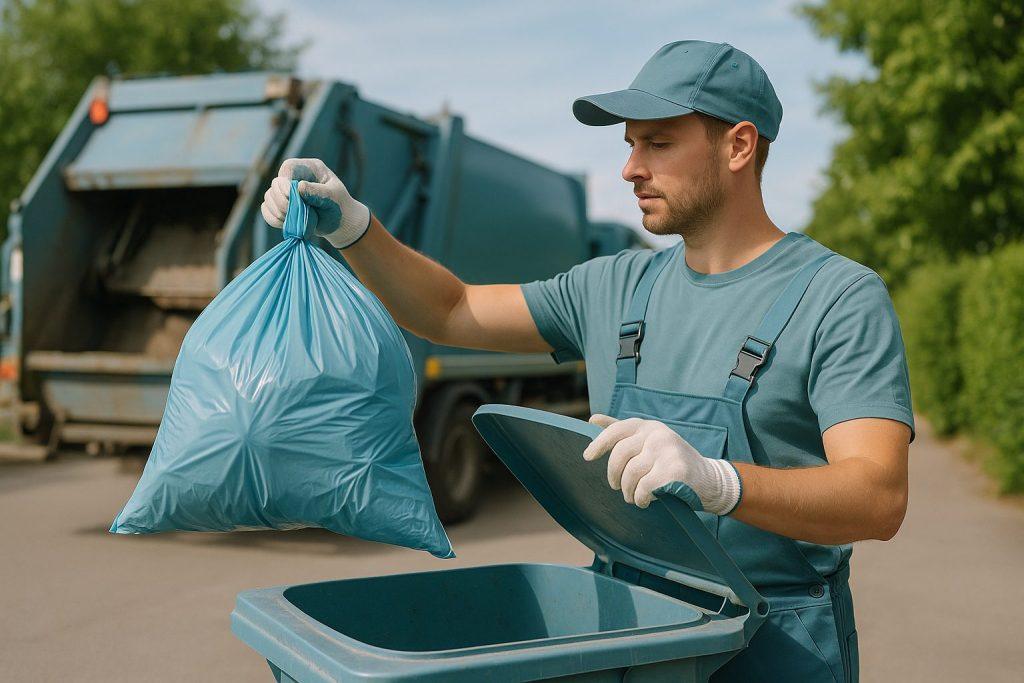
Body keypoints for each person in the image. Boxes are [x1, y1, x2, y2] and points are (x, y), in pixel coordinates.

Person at [259, 40, 913, 681]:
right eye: (629, 144)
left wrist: (719, 480)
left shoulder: (838, 296)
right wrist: (353, 227)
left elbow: (877, 494)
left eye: (657, 143)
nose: (630, 168)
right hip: (629, 637)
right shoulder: (614, 286)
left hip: (779, 649)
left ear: (739, 145)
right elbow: (449, 310)